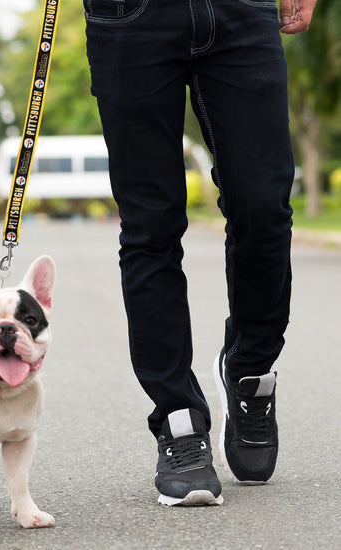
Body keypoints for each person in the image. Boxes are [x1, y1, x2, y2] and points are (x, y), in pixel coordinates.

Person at [84, 0, 316, 505]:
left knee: (264, 208)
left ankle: (251, 371)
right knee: (151, 224)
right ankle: (179, 421)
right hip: (130, 16)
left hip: (242, 10)